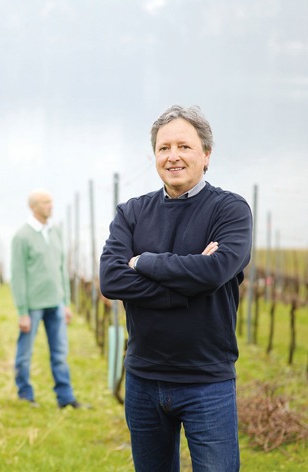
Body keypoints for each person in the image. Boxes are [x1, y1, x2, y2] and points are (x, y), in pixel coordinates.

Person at [99, 105, 252, 471]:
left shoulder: (230, 211)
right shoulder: (131, 213)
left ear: (206, 154)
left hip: (207, 382)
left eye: (183, 146)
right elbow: (111, 279)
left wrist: (145, 261)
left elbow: (215, 271)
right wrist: (185, 287)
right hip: (143, 378)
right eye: (164, 148)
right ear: (155, 155)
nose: (173, 157)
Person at [10, 189, 83, 409]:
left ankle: (65, 398)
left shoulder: (56, 232)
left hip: (56, 303)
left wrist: (66, 303)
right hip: (32, 305)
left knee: (60, 353)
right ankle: (25, 394)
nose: (50, 206)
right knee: (25, 353)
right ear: (33, 207)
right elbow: (18, 275)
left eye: (51, 202)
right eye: (45, 202)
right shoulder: (22, 236)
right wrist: (22, 311)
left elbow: (62, 269)